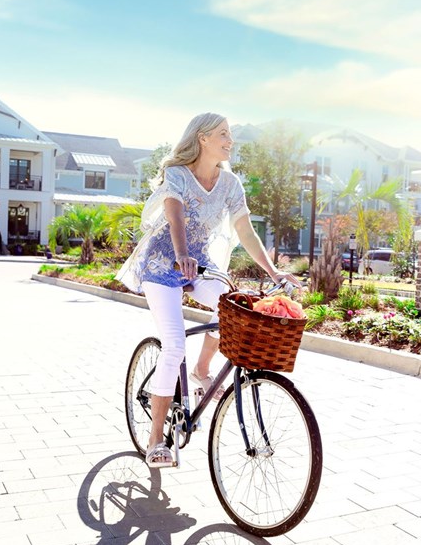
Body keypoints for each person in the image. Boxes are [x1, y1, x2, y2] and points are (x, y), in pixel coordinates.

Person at [116, 113, 301, 468]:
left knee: (232, 309)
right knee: (173, 346)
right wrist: (181, 253)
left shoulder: (231, 184)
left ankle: (201, 369)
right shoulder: (178, 175)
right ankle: (156, 440)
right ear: (202, 138)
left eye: (230, 135)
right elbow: (175, 217)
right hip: (162, 264)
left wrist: (273, 269)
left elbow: (245, 231)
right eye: (223, 134)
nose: (230, 141)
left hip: (198, 263)